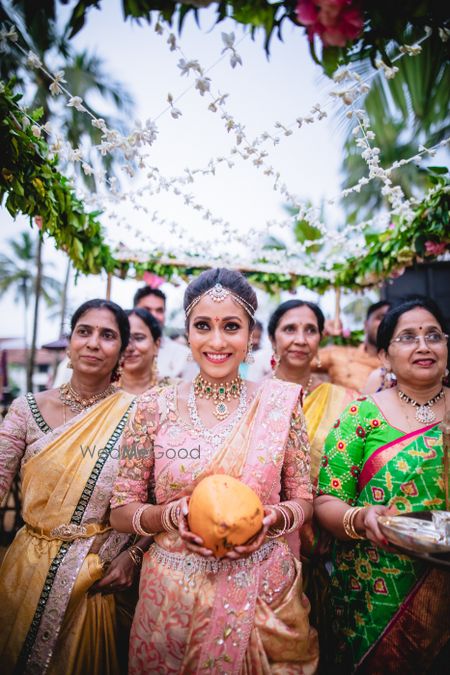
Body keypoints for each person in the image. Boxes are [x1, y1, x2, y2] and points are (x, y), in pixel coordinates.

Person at [111, 268, 319, 674]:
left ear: (251, 335)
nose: (218, 341)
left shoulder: (280, 404)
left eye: (232, 327)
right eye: (203, 326)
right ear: (187, 334)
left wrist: (273, 518)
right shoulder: (153, 406)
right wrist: (170, 515)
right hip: (172, 602)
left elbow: (304, 499)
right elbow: (122, 509)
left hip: (264, 592)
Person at [0, 299, 150, 675]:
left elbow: (160, 499)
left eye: (108, 335)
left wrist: (132, 558)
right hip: (27, 572)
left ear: (121, 352)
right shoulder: (26, 409)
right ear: (69, 343)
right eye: (84, 332)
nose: (93, 343)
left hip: (99, 578)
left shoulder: (140, 415)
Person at [315, 297, 450, 673]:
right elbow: (326, 500)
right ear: (385, 357)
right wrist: (360, 519)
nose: (423, 346)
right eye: (407, 337)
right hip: (372, 595)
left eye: (433, 336)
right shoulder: (362, 415)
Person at [268, 299, 357, 664]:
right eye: (290, 329)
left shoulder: (344, 401)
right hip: (265, 543)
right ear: (273, 338)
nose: (301, 338)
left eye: (310, 329)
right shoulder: (253, 399)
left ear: (321, 338)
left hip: (326, 550)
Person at [316, 300, 391, 391]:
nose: (386, 323)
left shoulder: (401, 365)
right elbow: (298, 362)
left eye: (391, 320)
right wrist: (320, 332)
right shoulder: (338, 354)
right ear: (366, 324)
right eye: (381, 317)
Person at [133, 286, 196, 380]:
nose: (154, 316)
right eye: (147, 310)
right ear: (133, 312)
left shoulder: (183, 355)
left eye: (159, 310)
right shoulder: (121, 351)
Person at [119, 308, 170, 395]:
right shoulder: (101, 391)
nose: (129, 348)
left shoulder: (176, 391)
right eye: (123, 339)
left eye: (139, 338)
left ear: (156, 345)